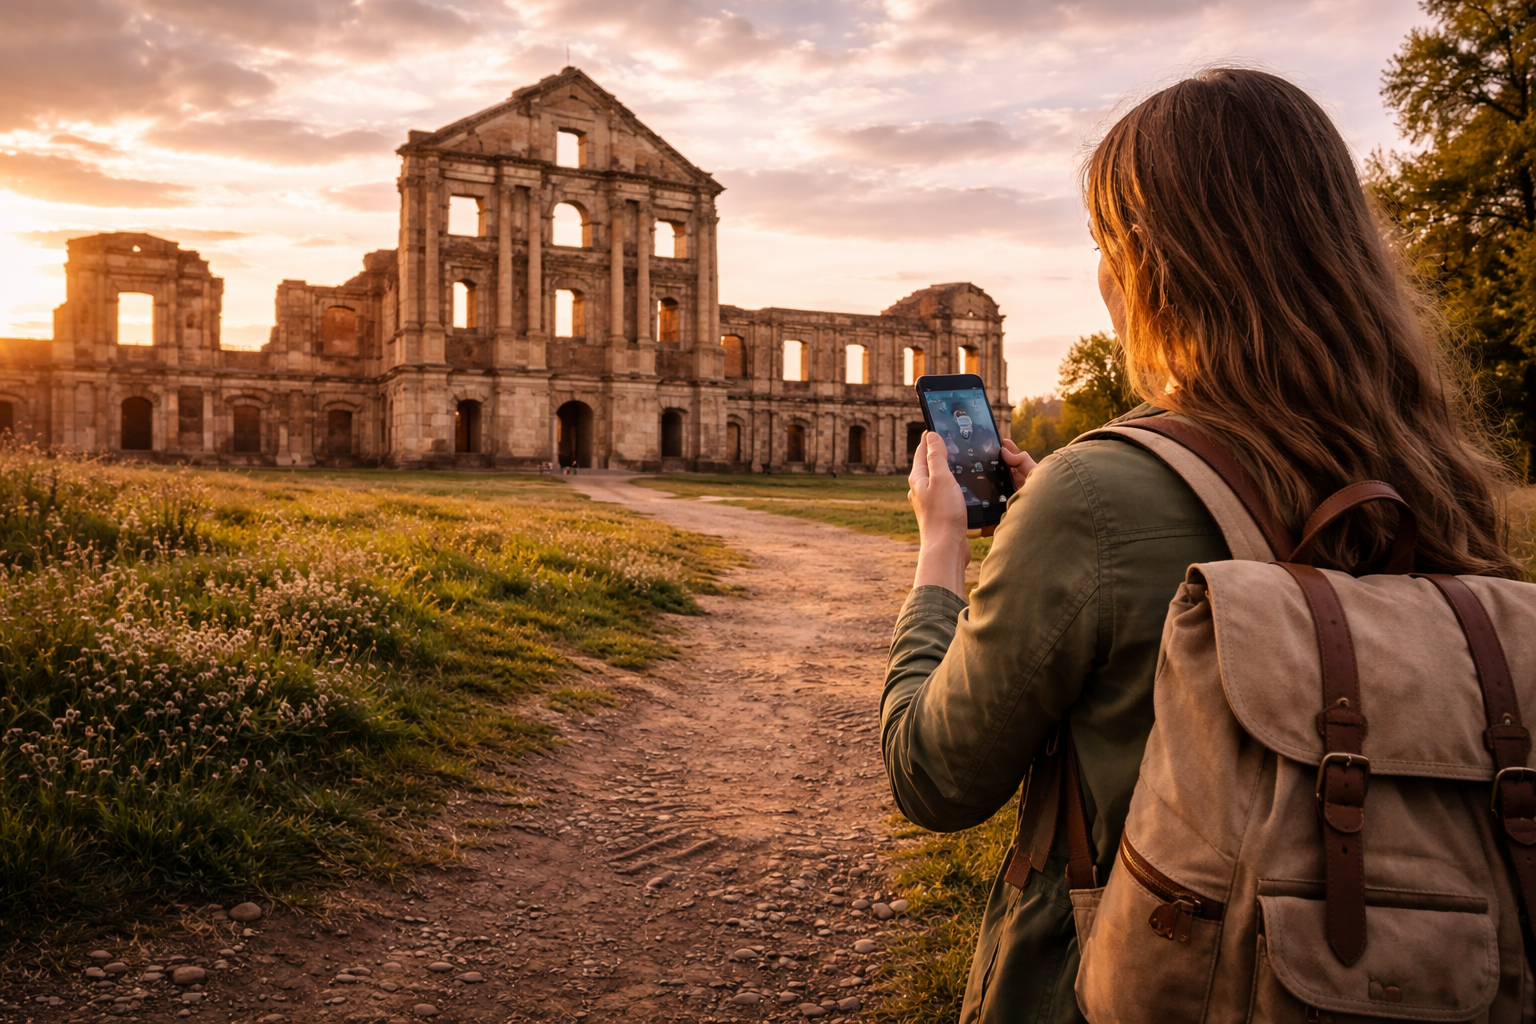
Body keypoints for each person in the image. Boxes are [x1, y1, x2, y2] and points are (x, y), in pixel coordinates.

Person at [882, 67, 1523, 1024]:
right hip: (1430, 972)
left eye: (1105, 243)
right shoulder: (1444, 481)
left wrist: (944, 549)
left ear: (1149, 262)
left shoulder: (1095, 494)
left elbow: (933, 775)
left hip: (1129, 981)